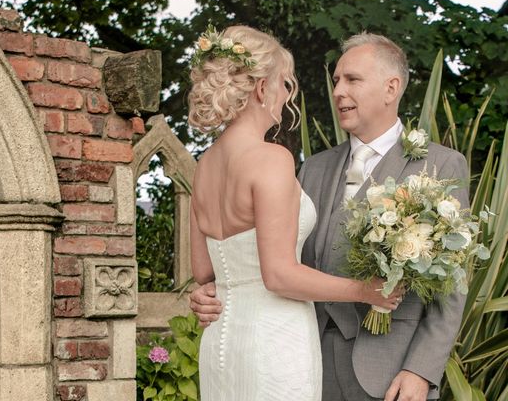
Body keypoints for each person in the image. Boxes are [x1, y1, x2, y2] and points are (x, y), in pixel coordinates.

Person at [190, 32, 469, 401]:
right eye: (336, 80)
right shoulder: (312, 169)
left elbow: (452, 285)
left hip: (392, 373)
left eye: (352, 79)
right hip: (303, 357)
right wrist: (208, 291)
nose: (338, 91)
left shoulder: (442, 165)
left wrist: (421, 370)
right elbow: (280, 265)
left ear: (392, 88)